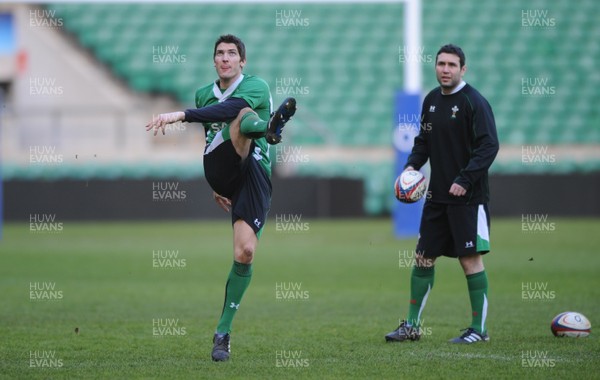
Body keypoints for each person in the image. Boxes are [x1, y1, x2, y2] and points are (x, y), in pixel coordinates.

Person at [145, 34, 296, 361]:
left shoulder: (256, 86)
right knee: (241, 114)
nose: (225, 58)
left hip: (254, 171)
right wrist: (216, 181)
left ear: (243, 61)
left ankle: (222, 332)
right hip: (221, 163)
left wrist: (180, 115)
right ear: (214, 61)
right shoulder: (203, 95)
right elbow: (213, 130)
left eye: (232, 53)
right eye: (220, 53)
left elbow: (226, 109)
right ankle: (268, 128)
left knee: (245, 252)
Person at [385, 44, 499, 344]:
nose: (445, 69)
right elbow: (423, 141)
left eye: (451, 65)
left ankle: (479, 330)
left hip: (469, 198)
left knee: (470, 260)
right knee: (423, 257)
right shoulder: (431, 100)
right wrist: (411, 167)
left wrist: (465, 179)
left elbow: (489, 146)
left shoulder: (475, 102)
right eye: (441, 64)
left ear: (463, 69)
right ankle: (412, 326)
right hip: (437, 197)